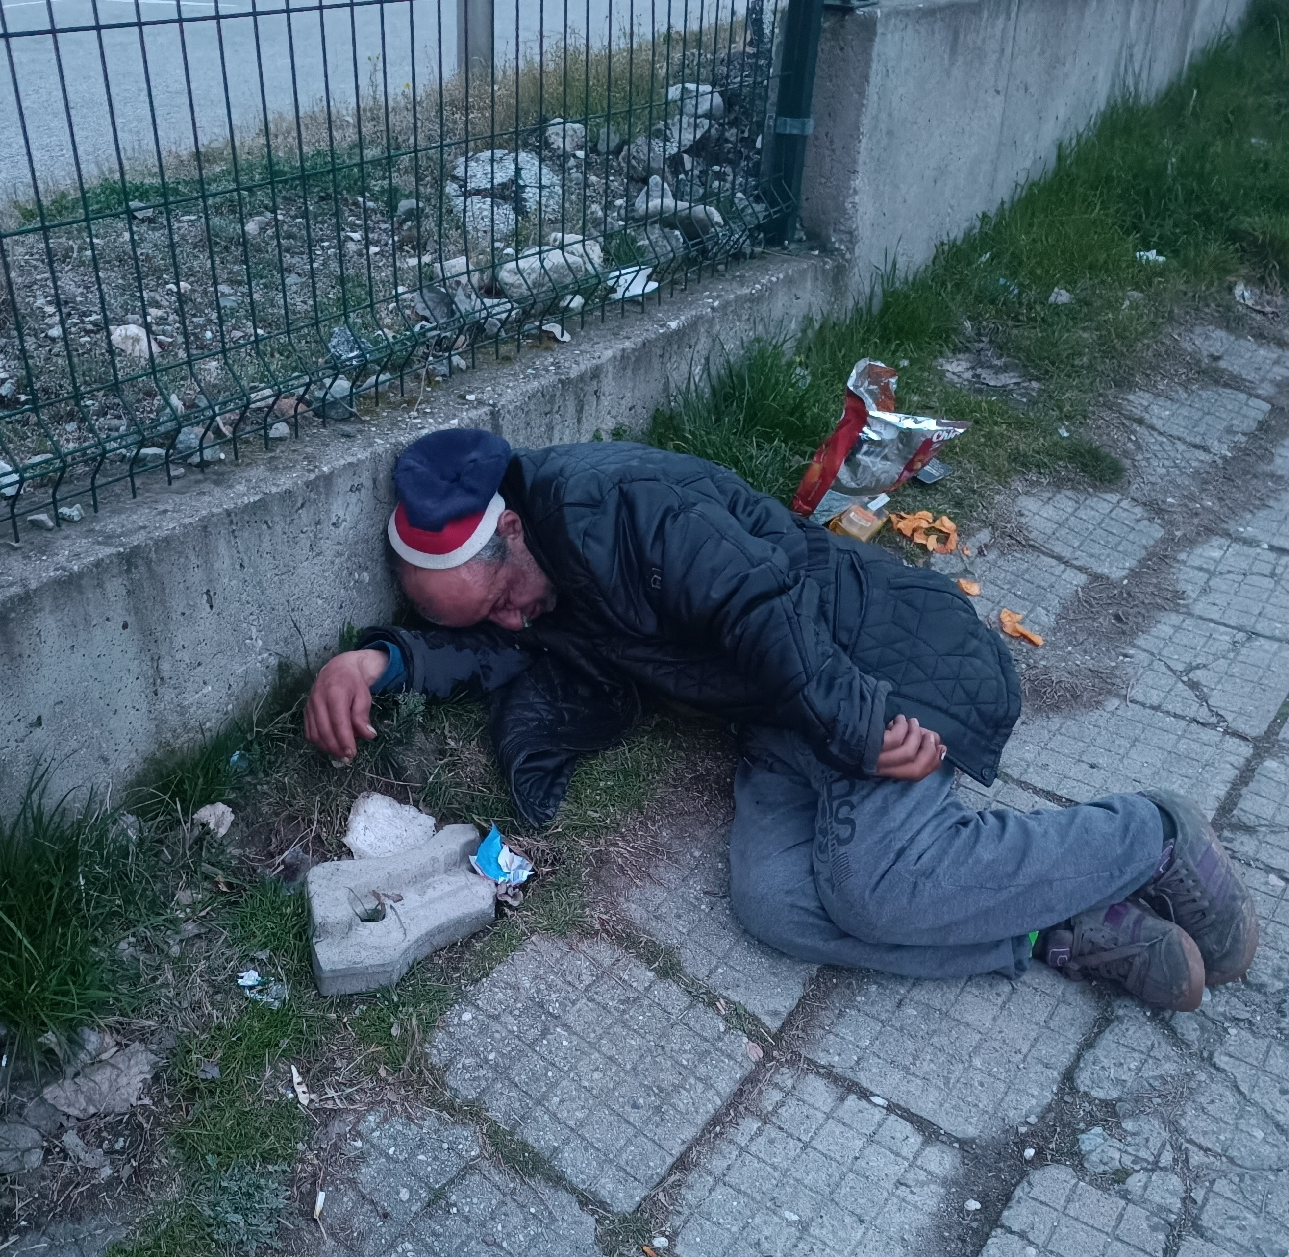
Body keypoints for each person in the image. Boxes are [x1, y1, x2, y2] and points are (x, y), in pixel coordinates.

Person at [303, 427, 1257, 1012]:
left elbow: (764, 606)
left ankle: (1153, 836)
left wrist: (859, 727)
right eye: (489, 621)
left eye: (503, 600)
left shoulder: (622, 505)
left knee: (875, 890)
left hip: (874, 665)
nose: (515, 623)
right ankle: (1056, 928)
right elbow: (500, 645)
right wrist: (384, 661)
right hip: (782, 712)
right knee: (774, 905)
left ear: (509, 528)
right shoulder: (532, 580)